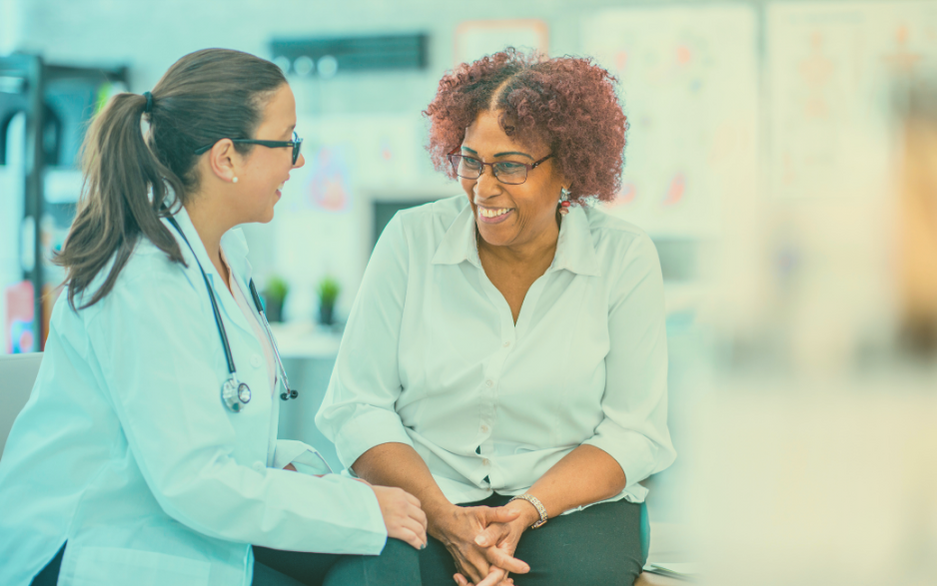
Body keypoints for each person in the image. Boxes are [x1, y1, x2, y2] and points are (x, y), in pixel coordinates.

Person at [0, 48, 427, 586]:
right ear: (226, 158)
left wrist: (329, 483)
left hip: (189, 526)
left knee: (384, 557)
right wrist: (359, 509)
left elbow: (223, 431)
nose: (298, 161)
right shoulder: (142, 280)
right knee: (376, 551)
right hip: (99, 550)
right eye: (287, 141)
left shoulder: (228, 255)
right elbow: (194, 480)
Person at [316, 48, 677, 586]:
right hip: (425, 492)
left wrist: (528, 508)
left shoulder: (623, 257)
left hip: (569, 505)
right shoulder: (411, 241)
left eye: (509, 166)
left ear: (570, 170)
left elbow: (633, 431)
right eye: (470, 161)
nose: (483, 188)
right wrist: (446, 519)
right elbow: (357, 405)